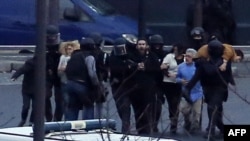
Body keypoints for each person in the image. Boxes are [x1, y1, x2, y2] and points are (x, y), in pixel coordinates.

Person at [183, 39, 231, 139]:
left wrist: (217, 65)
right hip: (208, 87)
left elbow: (214, 72)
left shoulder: (223, 61)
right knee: (215, 111)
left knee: (212, 108)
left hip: (219, 88)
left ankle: (211, 130)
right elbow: (197, 75)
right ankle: (221, 129)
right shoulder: (204, 62)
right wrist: (188, 88)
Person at [128, 38, 161, 134]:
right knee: (137, 110)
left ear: (146, 46)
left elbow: (157, 68)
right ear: (137, 45)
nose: (141, 46)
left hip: (148, 88)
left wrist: (146, 68)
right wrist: (136, 66)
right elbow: (128, 67)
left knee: (147, 110)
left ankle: (147, 130)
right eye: (140, 44)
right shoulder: (132, 55)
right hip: (135, 88)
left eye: (143, 44)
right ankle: (139, 129)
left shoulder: (152, 56)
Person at [64, 38, 102, 120]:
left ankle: (69, 127)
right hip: (82, 84)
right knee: (88, 105)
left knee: (73, 106)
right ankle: (88, 128)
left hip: (69, 83)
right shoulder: (89, 57)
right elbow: (92, 74)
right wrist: (96, 85)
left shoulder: (74, 56)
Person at [109, 38, 135, 133]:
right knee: (121, 108)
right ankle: (126, 127)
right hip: (118, 86)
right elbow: (115, 69)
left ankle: (126, 129)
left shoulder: (130, 55)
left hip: (126, 86)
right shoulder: (113, 57)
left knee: (125, 108)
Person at [160, 43, 186, 134]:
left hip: (180, 83)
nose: (175, 51)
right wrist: (168, 74)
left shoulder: (185, 58)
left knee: (177, 103)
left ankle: (180, 121)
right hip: (169, 83)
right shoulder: (169, 57)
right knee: (172, 103)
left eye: (177, 50)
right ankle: (173, 122)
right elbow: (163, 67)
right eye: (174, 50)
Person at [176, 48, 203, 133]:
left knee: (197, 113)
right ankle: (187, 121)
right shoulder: (181, 67)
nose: (187, 58)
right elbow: (176, 78)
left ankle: (194, 129)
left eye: (189, 56)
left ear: (194, 58)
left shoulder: (198, 67)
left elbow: (204, 80)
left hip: (197, 93)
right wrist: (181, 81)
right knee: (184, 110)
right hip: (186, 93)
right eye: (186, 56)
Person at [88, 32, 110, 119]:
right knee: (100, 103)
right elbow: (107, 67)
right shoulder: (103, 54)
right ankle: (99, 122)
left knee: (89, 104)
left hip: (88, 80)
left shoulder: (87, 54)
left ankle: (88, 122)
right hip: (101, 80)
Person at [11, 57, 36, 126]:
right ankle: (23, 119)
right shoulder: (30, 63)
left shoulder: (43, 64)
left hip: (36, 89)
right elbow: (21, 70)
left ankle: (31, 121)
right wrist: (15, 76)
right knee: (26, 106)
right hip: (27, 89)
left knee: (35, 106)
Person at [45, 25, 63, 121]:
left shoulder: (61, 46)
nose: (52, 39)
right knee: (45, 96)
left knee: (60, 100)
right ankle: (49, 117)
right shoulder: (42, 45)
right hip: (46, 75)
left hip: (59, 75)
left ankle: (57, 119)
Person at [57, 40, 80, 115]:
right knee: (66, 100)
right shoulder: (63, 57)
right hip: (65, 81)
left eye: (70, 49)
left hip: (74, 81)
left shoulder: (76, 57)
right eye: (67, 49)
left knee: (73, 101)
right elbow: (59, 69)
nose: (69, 51)